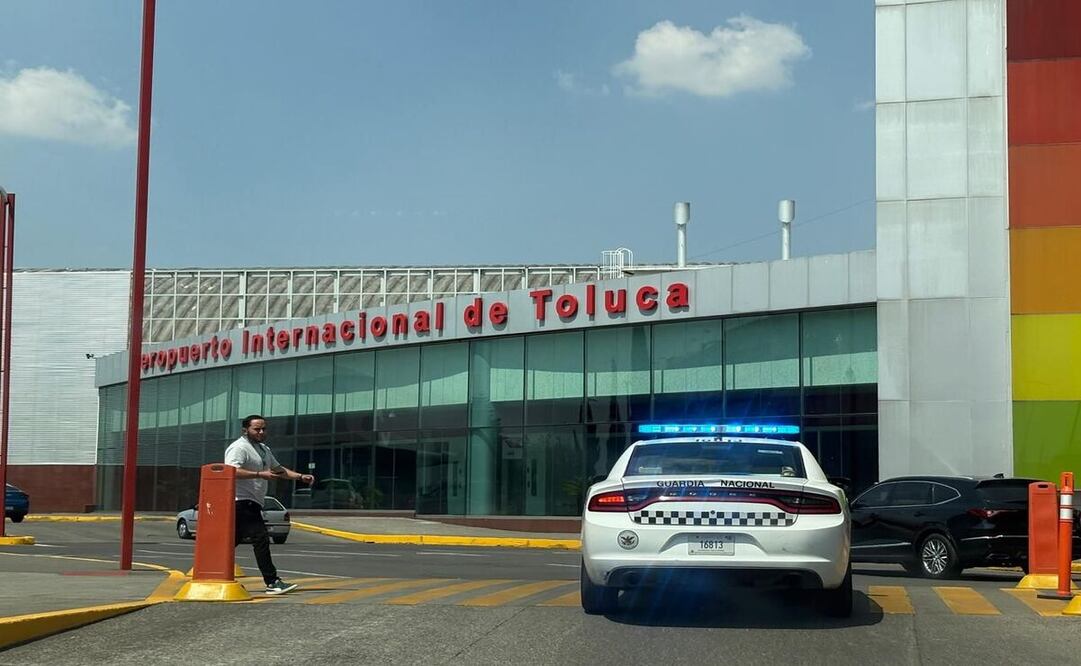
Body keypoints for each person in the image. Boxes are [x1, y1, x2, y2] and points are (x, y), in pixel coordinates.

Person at [224, 414, 315, 595]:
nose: (261, 432)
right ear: (245, 430)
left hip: (254, 502)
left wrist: (300, 477)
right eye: (256, 429)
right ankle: (272, 582)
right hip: (241, 501)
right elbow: (231, 471)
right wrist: (259, 474)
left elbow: (278, 469)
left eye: (264, 428)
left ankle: (210, 570)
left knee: (229, 542)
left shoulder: (263, 449)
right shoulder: (239, 448)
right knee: (261, 539)